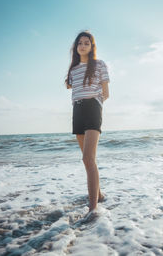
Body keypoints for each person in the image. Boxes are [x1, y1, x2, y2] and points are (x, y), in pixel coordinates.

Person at [65, 30, 110, 214]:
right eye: (80, 43)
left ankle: (93, 210)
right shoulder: (73, 70)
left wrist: (97, 103)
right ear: (76, 47)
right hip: (78, 110)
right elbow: (71, 86)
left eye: (86, 43)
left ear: (92, 47)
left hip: (92, 108)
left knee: (87, 158)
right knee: (86, 160)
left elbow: (106, 93)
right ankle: (98, 195)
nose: (82, 45)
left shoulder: (99, 64)